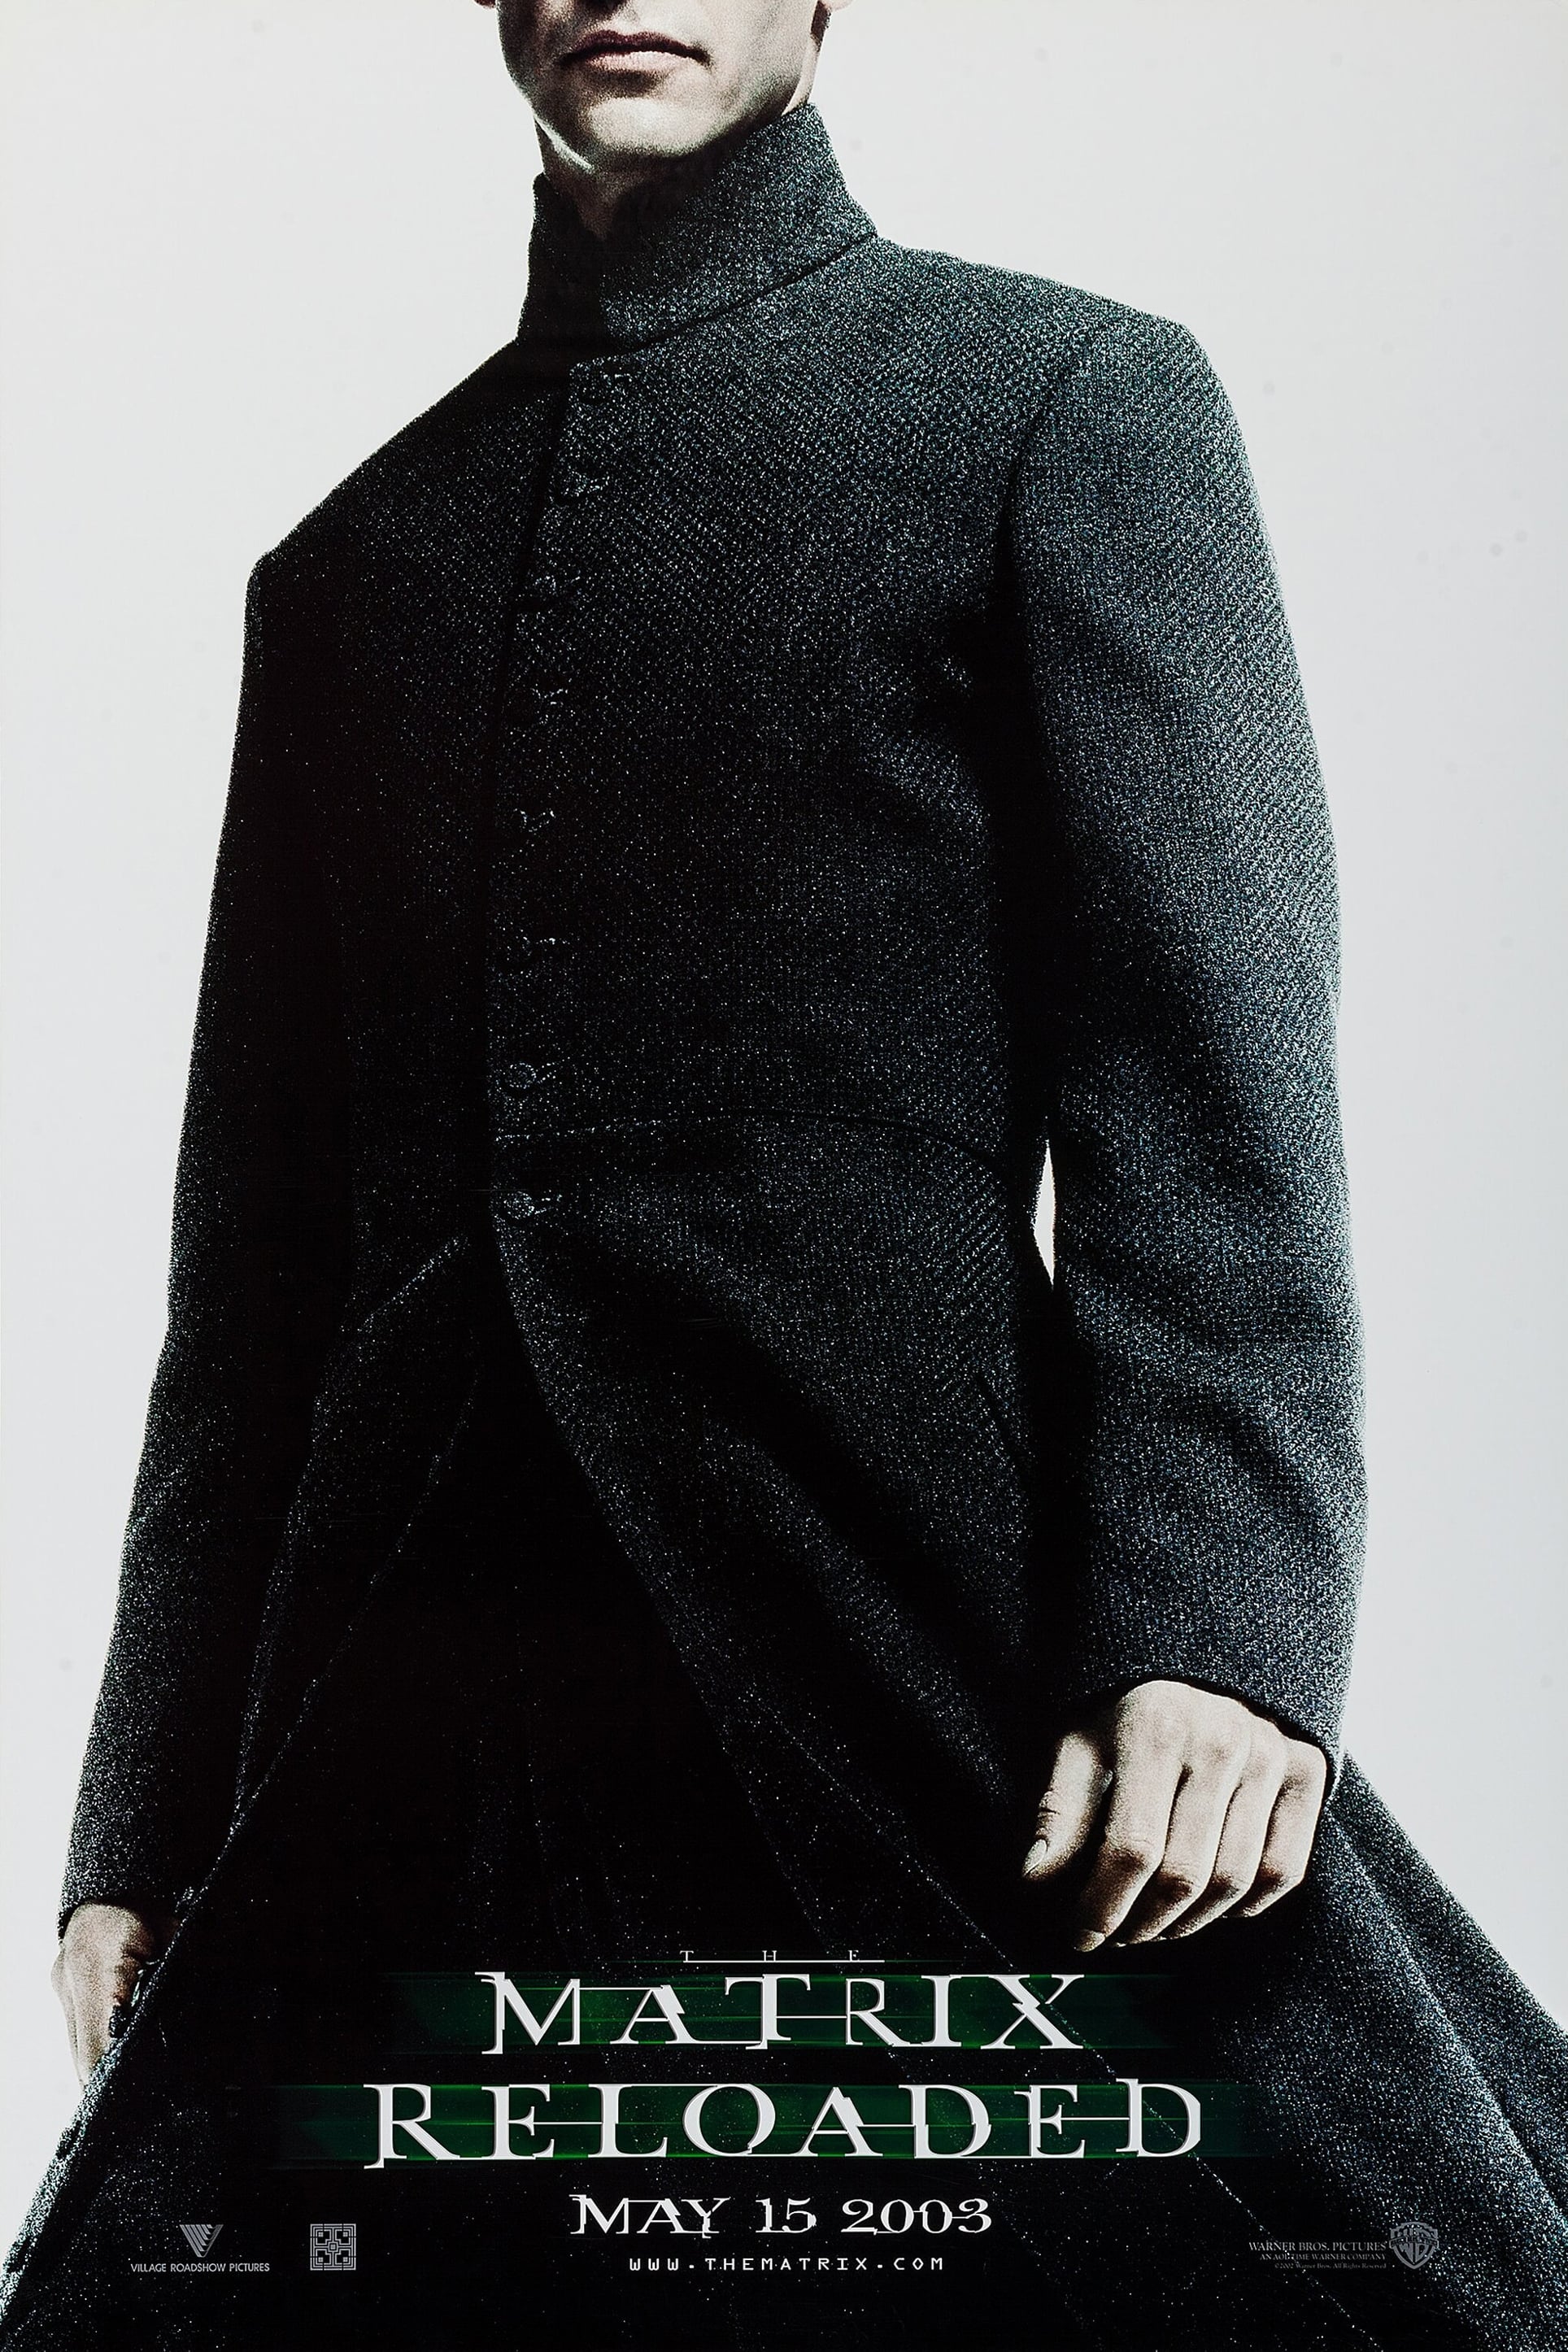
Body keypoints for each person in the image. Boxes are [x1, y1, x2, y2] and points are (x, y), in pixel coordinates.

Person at [7, 3, 1566, 2346]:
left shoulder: (1061, 406)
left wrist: (1221, 1636)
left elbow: (1207, 1074)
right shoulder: (341, 575)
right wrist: (141, 1824)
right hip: (414, 1692)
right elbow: (250, 1290)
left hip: (919, 1605)